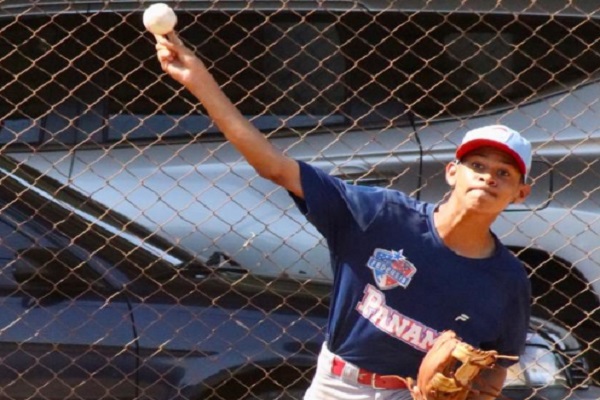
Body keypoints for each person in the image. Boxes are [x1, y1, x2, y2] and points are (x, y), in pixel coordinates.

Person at [154, 31, 532, 400]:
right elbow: (275, 167)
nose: (487, 177)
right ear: (452, 171)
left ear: (520, 193)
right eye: (477, 164)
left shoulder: (507, 281)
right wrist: (200, 82)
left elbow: (498, 364)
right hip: (337, 386)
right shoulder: (380, 215)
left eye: (504, 173)